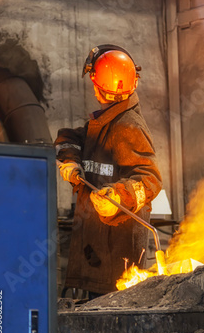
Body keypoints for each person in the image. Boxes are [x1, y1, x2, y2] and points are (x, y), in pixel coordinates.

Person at [55, 44, 162, 297]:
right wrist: (71, 161)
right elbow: (71, 138)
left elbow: (150, 179)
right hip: (97, 249)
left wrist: (118, 197)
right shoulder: (106, 122)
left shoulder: (127, 127)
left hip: (116, 258)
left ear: (96, 87)